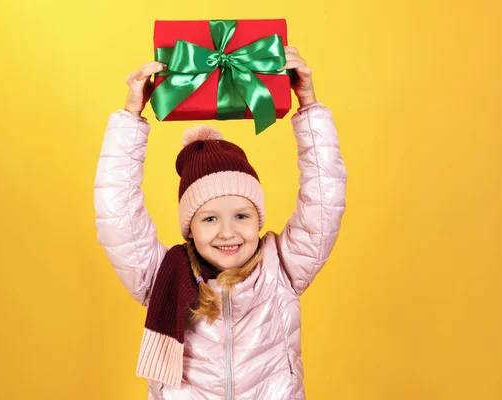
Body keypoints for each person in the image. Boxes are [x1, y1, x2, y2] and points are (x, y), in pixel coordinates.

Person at [94, 47, 347, 400]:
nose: (228, 232)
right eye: (210, 218)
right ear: (189, 227)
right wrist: (131, 116)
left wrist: (308, 106)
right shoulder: (160, 275)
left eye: (241, 216)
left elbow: (325, 197)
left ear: (257, 219)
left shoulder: (283, 268)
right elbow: (116, 211)